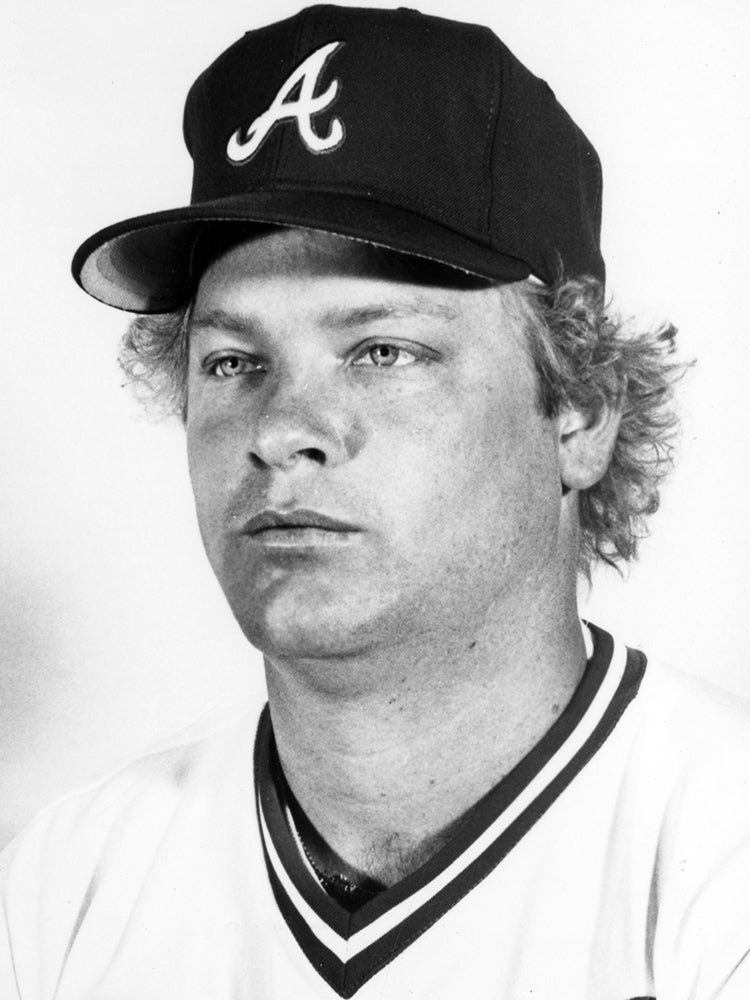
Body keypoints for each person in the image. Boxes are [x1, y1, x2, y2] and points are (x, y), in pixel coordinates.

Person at [1, 5, 748, 998]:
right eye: (233, 360)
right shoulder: (67, 881)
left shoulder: (720, 853)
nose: (281, 428)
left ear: (579, 411)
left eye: (383, 350)